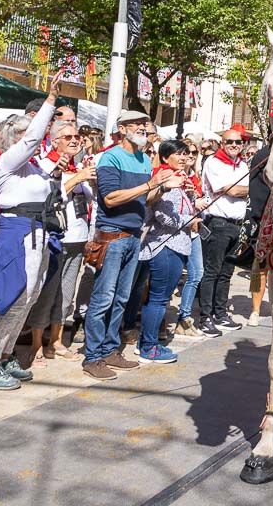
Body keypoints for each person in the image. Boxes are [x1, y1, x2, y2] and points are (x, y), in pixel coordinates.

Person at [0, 75, 63, 390]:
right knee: (14, 298)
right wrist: (49, 101)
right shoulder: (7, 162)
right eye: (27, 134)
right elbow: (31, 141)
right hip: (16, 232)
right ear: (15, 137)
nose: (36, 140)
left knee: (30, 298)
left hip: (37, 231)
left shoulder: (35, 167)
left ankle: (5, 354)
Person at [79, 110, 162, 380]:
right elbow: (112, 198)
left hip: (132, 236)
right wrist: (149, 184)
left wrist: (162, 188)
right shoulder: (111, 157)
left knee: (121, 299)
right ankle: (93, 356)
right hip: (112, 235)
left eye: (144, 124)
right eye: (137, 124)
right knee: (103, 298)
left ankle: (110, 349)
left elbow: (145, 200)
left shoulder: (143, 160)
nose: (142, 128)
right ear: (122, 128)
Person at [24, 120, 95, 366]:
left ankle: (56, 340)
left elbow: (88, 201)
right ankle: (35, 344)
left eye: (77, 136)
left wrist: (88, 178)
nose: (75, 140)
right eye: (68, 137)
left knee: (66, 293)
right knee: (47, 292)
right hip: (55, 237)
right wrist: (78, 178)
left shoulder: (78, 166)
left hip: (78, 237)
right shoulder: (45, 164)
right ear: (54, 141)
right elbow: (49, 196)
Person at [134, 140, 198, 363]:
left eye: (185, 154)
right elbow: (164, 217)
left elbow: (184, 208)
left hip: (177, 244)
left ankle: (147, 342)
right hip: (165, 245)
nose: (183, 157)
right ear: (164, 158)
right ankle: (149, 346)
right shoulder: (166, 178)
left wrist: (192, 198)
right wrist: (192, 219)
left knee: (159, 298)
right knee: (159, 299)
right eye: (177, 154)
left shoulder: (180, 179)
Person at [197, 128, 249, 338]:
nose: (234, 145)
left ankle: (220, 313)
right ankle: (205, 316)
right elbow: (232, 190)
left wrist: (243, 190)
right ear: (222, 143)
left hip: (237, 223)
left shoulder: (243, 165)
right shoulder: (213, 162)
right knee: (212, 271)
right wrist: (248, 190)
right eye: (230, 142)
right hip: (218, 222)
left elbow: (240, 189)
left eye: (238, 142)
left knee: (227, 273)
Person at [174, 141, 205, 337]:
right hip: (174, 232)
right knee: (169, 281)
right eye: (185, 152)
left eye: (194, 152)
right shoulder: (169, 174)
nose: (189, 156)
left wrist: (198, 202)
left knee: (196, 273)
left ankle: (184, 318)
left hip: (193, 231)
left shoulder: (194, 177)